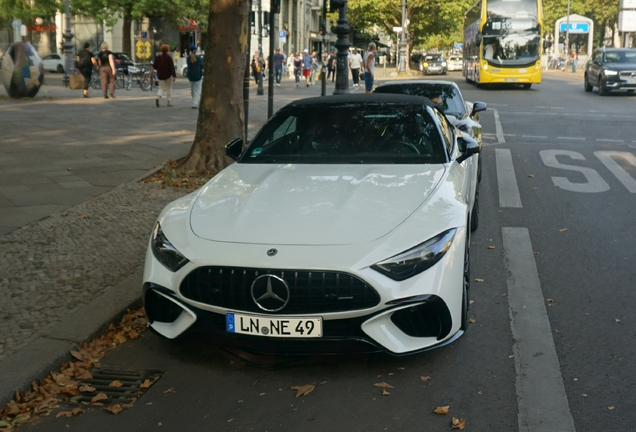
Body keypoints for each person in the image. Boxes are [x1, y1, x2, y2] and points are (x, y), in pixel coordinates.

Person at [186, 44, 203, 109]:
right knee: (197, 90)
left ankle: (194, 101)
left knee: (193, 90)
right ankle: (195, 103)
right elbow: (202, 66)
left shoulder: (188, 58)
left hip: (191, 76)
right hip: (198, 75)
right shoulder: (199, 58)